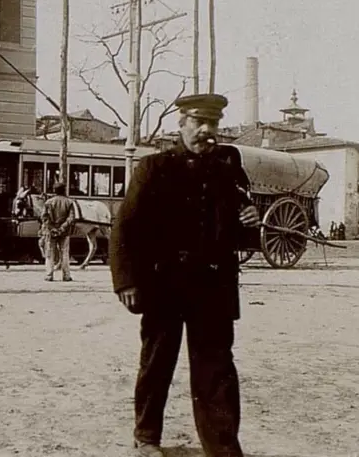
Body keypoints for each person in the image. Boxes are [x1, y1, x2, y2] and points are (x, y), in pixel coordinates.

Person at [109, 93, 260, 457]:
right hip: (165, 285)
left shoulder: (228, 173)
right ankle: (146, 437)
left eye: (213, 124)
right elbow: (124, 228)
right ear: (181, 124)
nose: (206, 131)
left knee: (217, 370)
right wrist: (126, 281)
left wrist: (251, 222)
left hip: (213, 288)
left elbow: (238, 236)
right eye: (198, 122)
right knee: (157, 362)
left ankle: (222, 447)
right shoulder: (153, 168)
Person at [40, 181, 76, 282]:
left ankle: (49, 275)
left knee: (49, 253)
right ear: (64, 190)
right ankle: (66, 276)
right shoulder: (69, 202)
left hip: (50, 232)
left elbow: (44, 217)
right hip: (65, 232)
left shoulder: (48, 202)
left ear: (54, 191)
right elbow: (71, 218)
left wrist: (52, 228)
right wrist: (62, 228)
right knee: (64, 254)